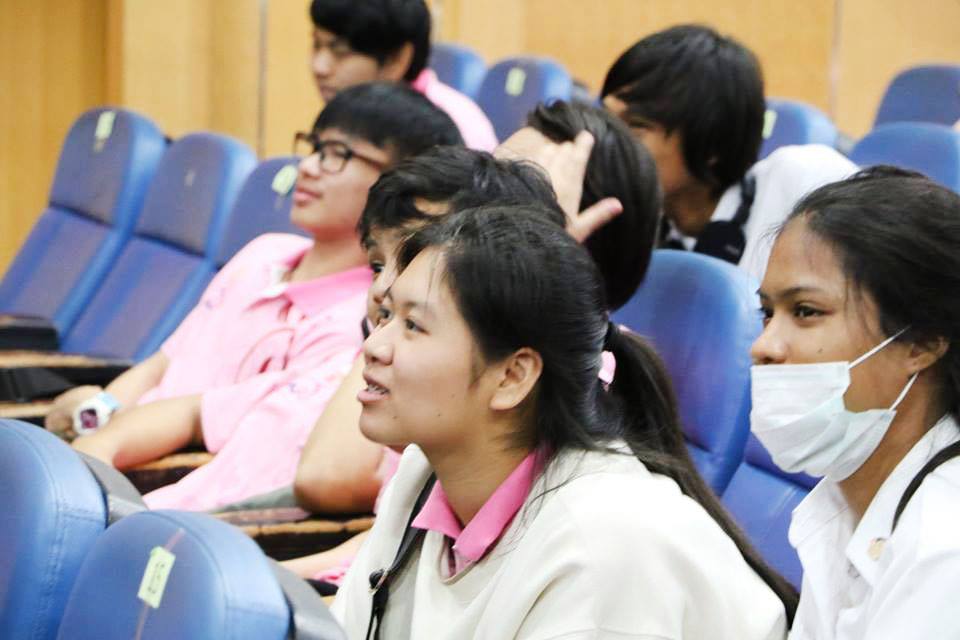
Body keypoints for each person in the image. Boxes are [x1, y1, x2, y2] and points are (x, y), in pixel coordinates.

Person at [330, 206, 793, 639]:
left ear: (512, 377)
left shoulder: (604, 542)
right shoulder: (424, 473)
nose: (375, 345)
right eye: (386, 316)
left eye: (413, 326)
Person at [49, 83, 463, 512]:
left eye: (337, 154)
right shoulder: (263, 251)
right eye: (314, 148)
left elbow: (265, 459)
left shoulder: (357, 325)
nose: (308, 167)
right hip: (124, 450)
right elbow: (165, 362)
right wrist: (99, 411)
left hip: (166, 486)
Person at [291, 100, 659, 519]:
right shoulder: (430, 362)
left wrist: (539, 264)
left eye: (512, 202)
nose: (478, 198)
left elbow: (328, 475)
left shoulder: (581, 377)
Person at [750, 166, 960, 639]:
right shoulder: (843, 493)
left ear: (922, 342)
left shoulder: (946, 545)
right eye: (767, 312)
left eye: (805, 311)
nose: (764, 344)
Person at [601, 24, 856, 279]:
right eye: (606, 119)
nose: (604, 139)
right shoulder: (621, 223)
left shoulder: (802, 179)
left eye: (636, 126)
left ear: (711, 142)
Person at [309, 0, 497, 151]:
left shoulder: (453, 134)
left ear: (396, 60)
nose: (319, 67)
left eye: (341, 51)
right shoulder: (349, 113)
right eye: (316, 45)